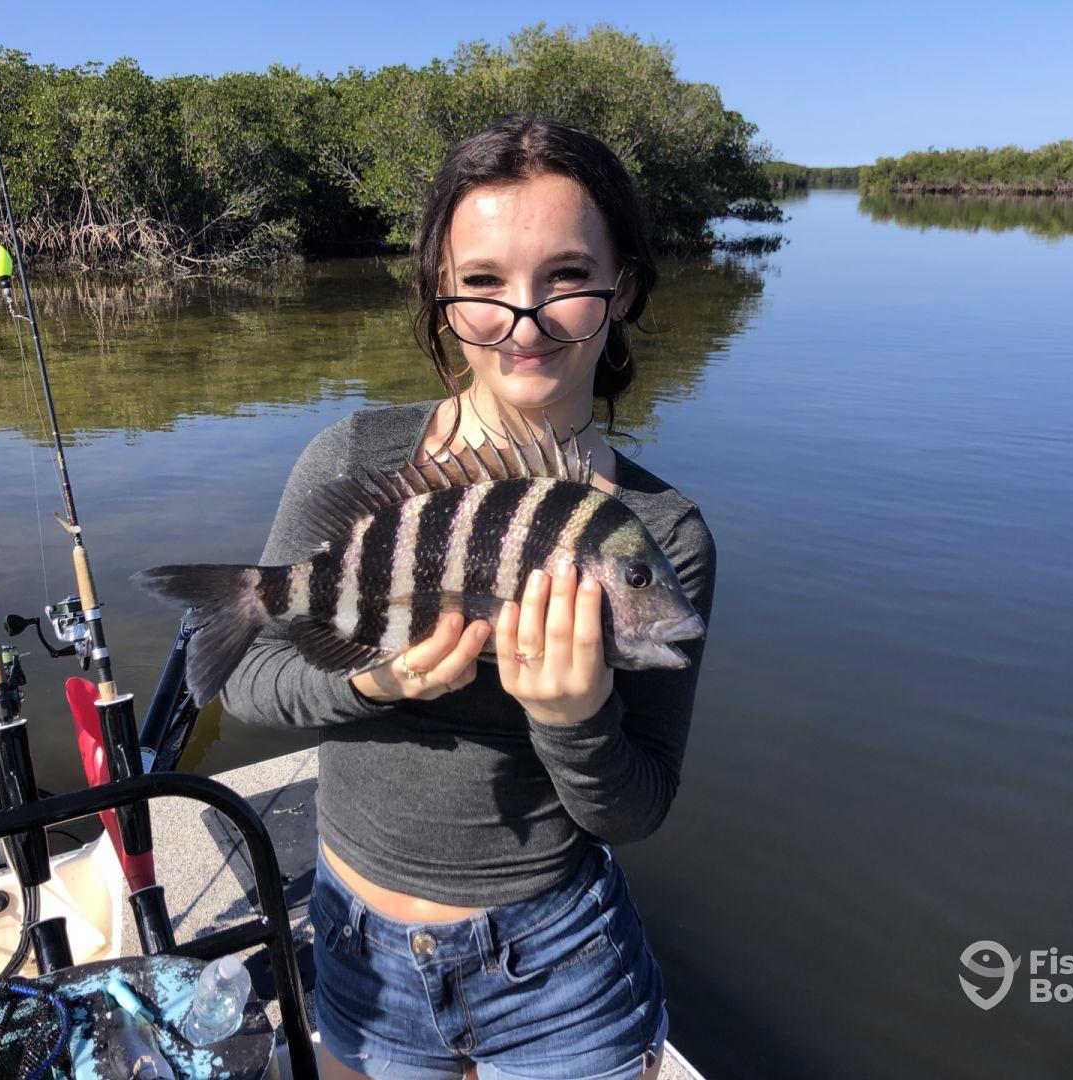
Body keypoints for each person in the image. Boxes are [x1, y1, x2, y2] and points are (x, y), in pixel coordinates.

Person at [221, 114, 717, 1080]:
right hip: (359, 958)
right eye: (484, 282)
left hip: (560, 976)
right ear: (442, 295)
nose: (522, 319)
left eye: (567, 277)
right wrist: (375, 686)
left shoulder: (662, 535)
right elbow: (247, 685)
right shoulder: (355, 459)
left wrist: (573, 719)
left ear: (624, 293)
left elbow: (639, 806)